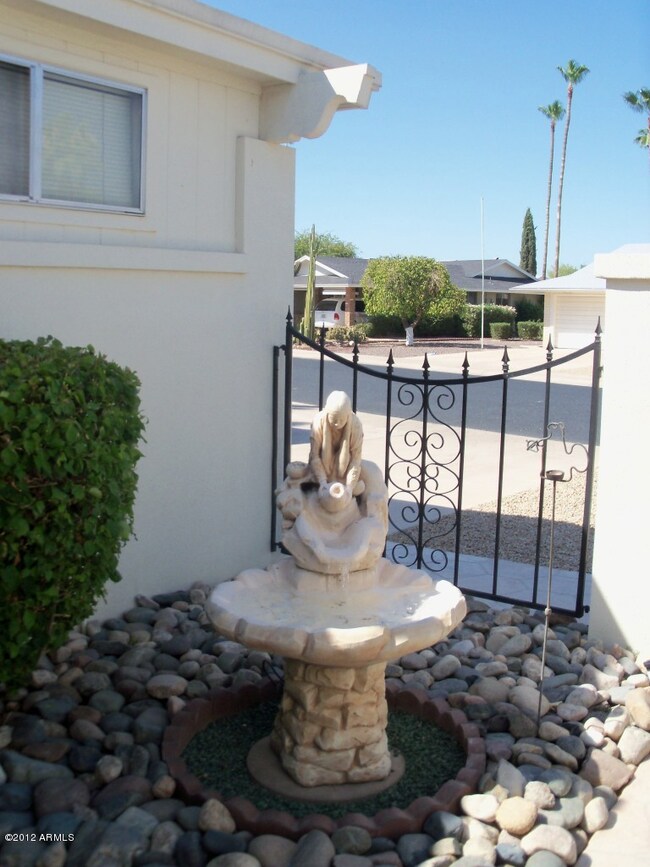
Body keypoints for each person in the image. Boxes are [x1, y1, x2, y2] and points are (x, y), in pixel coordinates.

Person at [308, 391, 364, 496]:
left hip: (346, 467)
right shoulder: (318, 421)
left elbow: (356, 460)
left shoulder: (355, 425)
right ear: (327, 413)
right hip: (322, 466)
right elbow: (314, 456)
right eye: (333, 419)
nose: (337, 423)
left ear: (348, 415)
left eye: (341, 419)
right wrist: (322, 482)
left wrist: (349, 487)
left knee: (361, 486)